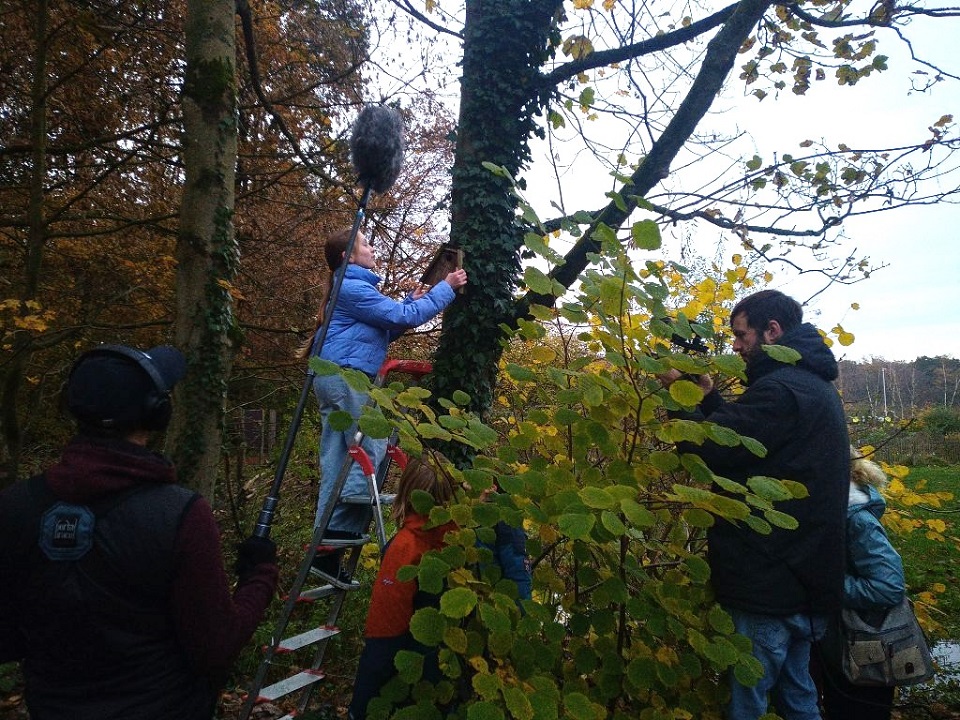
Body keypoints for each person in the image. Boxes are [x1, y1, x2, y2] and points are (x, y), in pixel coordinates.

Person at [0, 344, 279, 720]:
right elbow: (217, 648)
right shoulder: (179, 514)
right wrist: (259, 576)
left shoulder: (15, 506)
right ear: (156, 414)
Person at [659, 289, 849, 720]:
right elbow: (747, 441)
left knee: (747, 703)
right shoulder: (808, 387)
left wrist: (676, 396)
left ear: (772, 331)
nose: (736, 347)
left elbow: (711, 450)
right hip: (803, 579)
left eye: (741, 336)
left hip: (769, 583)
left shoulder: (781, 391)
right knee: (798, 697)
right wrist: (707, 399)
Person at [300, 228, 467, 588]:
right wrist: (446, 288)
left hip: (335, 375)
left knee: (340, 458)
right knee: (368, 451)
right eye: (365, 243)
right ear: (348, 256)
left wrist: (410, 300)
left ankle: (326, 548)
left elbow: (385, 328)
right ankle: (338, 537)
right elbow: (400, 319)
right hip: (347, 376)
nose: (372, 247)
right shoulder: (351, 286)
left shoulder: (351, 288)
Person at [348, 452, 459, 720]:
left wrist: (359, 708)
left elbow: (384, 632)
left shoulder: (405, 549)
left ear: (407, 493)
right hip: (447, 677)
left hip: (405, 677)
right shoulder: (461, 543)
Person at [812, 447, 905, 720]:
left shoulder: (857, 519)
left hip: (866, 648)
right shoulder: (835, 514)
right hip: (846, 647)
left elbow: (888, 586)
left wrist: (827, 586)